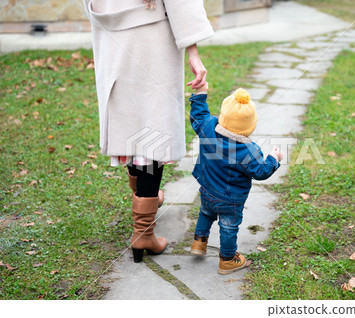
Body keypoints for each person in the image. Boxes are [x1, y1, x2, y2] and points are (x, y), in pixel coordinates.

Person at [83, 0, 215, 263]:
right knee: (151, 130)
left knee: (131, 126)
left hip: (112, 40)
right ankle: (144, 231)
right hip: (152, 39)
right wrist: (193, 53)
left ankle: (146, 201)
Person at [188, 83, 284, 274]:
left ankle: (199, 242)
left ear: (223, 116)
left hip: (207, 190)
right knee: (228, 227)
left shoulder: (208, 128)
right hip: (231, 201)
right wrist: (274, 159)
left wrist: (200, 93)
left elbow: (198, 115)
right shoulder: (249, 150)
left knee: (206, 213)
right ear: (250, 126)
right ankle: (227, 260)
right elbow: (261, 172)